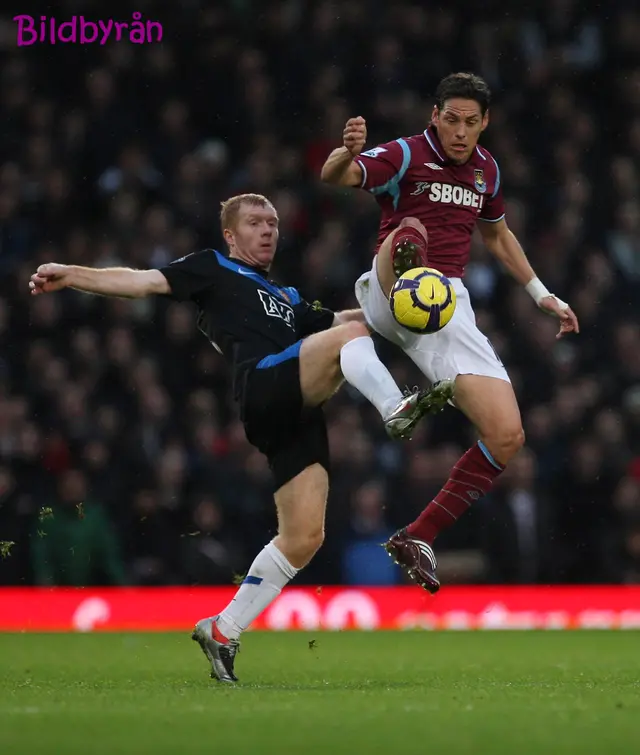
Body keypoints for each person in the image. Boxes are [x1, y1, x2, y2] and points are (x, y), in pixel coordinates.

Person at [29, 192, 450, 682]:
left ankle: (223, 630)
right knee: (347, 343)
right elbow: (143, 282)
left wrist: (408, 307)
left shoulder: (288, 298)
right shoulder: (212, 268)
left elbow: (347, 322)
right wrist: (74, 274)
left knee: (304, 537)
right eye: (255, 223)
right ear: (231, 235)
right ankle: (394, 409)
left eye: (273, 222)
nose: (268, 230)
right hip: (264, 384)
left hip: (296, 411)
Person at [320, 72, 580, 593]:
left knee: (508, 435)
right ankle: (373, 324)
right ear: (434, 116)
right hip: (394, 282)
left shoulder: (486, 170)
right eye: (451, 120)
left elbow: (498, 235)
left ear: (485, 123)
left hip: (446, 305)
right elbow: (336, 178)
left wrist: (542, 294)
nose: (460, 132)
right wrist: (346, 153)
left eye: (471, 122)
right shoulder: (406, 154)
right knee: (409, 230)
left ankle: (418, 536)